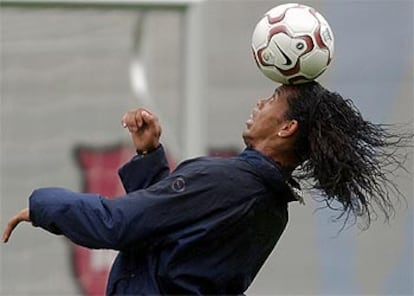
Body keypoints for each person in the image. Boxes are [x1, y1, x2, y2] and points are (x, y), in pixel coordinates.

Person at [3, 81, 412, 294]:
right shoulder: (271, 205)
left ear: (287, 128)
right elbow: (175, 235)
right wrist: (149, 161)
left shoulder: (226, 181)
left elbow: (117, 225)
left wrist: (42, 205)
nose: (259, 103)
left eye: (273, 97)